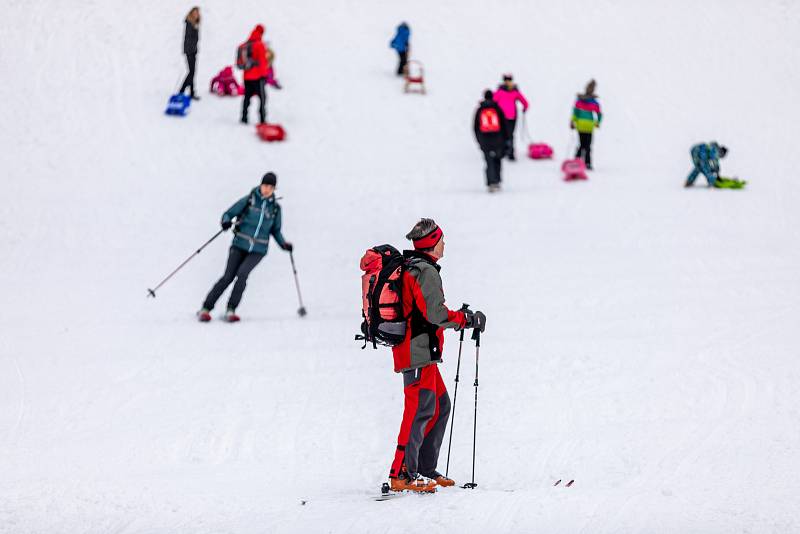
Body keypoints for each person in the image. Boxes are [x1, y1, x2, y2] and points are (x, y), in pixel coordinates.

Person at [388, 219, 486, 493]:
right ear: (431, 243)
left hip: (423, 352)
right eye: (441, 239)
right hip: (416, 352)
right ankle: (401, 474)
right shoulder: (425, 272)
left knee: (439, 406)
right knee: (419, 411)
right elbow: (436, 314)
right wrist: (464, 319)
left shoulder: (418, 268)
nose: (444, 244)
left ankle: (424, 468)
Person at [198, 172, 292, 322]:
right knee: (228, 277)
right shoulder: (249, 200)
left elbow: (275, 230)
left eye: (271, 187)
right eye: (265, 186)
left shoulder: (275, 209)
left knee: (242, 274)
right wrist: (225, 222)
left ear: (274, 189)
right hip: (239, 244)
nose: (267, 189)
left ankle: (231, 309)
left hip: (258, 250)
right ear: (261, 185)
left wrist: (284, 244)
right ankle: (206, 308)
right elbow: (228, 213)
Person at [474, 90, 510, 192]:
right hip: (498, 140)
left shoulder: (480, 110)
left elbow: (475, 127)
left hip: (485, 141)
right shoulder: (497, 109)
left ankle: (491, 183)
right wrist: (506, 139)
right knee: (497, 160)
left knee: (488, 162)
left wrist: (479, 141)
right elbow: (504, 125)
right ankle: (497, 181)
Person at [493, 74, 529, 161]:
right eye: (506, 80)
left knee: (510, 134)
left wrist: (525, 107)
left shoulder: (515, 91)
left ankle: (510, 152)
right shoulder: (499, 92)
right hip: (501, 117)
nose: (508, 82)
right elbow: (493, 101)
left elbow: (525, 102)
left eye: (509, 80)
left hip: (511, 117)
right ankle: (503, 150)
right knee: (502, 134)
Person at [241, 24, 270, 124]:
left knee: (247, 97)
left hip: (246, 76)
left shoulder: (246, 43)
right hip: (258, 77)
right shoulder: (260, 44)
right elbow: (262, 62)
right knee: (262, 98)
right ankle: (262, 119)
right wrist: (265, 75)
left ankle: (244, 117)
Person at [571, 79, 603, 170]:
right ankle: (587, 163)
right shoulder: (594, 102)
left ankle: (577, 161)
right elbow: (599, 114)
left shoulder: (579, 100)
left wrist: (573, 121)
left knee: (581, 144)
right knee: (587, 146)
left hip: (580, 125)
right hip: (589, 126)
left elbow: (575, 112)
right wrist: (597, 122)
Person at [179, 7, 200, 100]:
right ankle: (182, 90)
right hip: (189, 51)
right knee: (191, 72)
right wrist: (191, 50)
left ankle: (191, 92)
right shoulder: (189, 23)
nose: (196, 14)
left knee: (193, 72)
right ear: (191, 13)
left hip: (193, 50)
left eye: (197, 13)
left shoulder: (195, 24)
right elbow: (188, 39)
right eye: (194, 13)